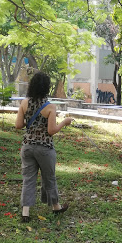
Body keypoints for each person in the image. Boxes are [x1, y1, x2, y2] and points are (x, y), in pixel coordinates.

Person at [15, 71, 73, 222]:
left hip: (27, 147)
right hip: (45, 149)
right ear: (47, 88)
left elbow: (18, 125)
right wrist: (64, 122)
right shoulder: (50, 107)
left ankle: (25, 213)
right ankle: (56, 207)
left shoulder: (24, 102)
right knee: (49, 178)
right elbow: (51, 131)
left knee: (28, 179)